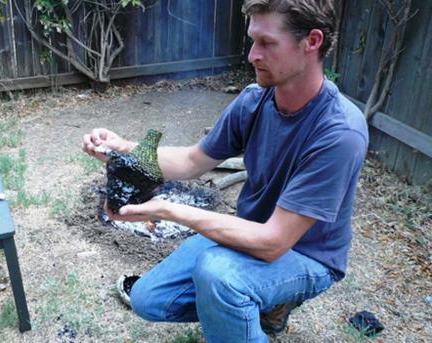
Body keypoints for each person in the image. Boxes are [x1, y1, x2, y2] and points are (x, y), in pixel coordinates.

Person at [82, 0, 368, 341]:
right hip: (248, 234)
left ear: (312, 41)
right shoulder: (254, 101)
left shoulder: (339, 132)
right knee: (148, 299)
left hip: (307, 256)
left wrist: (169, 210)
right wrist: (125, 151)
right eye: (252, 41)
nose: (252, 55)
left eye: (267, 43)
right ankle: (257, 306)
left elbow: (273, 242)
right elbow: (192, 161)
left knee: (218, 275)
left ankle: (259, 298)